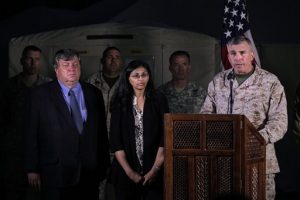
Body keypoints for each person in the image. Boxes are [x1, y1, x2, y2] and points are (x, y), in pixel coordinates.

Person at [200, 35, 287, 200]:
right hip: (224, 161)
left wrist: (253, 139)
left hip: (260, 161)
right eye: (233, 53)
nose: (238, 57)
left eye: (242, 52)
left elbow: (280, 122)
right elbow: (205, 115)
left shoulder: (270, 82)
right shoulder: (219, 81)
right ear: (228, 56)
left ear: (252, 55)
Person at [23, 49, 110, 200]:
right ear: (56, 69)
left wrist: (103, 166)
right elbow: (31, 133)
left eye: (75, 64)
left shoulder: (93, 92)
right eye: (66, 65)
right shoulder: (39, 95)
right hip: (56, 172)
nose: (72, 69)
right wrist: (32, 168)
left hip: (89, 171)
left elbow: (101, 132)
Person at [109, 60, 169, 200]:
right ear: (128, 78)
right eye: (136, 75)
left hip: (156, 170)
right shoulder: (120, 100)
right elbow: (115, 141)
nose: (140, 79)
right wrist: (130, 173)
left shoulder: (159, 99)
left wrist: (155, 169)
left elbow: (165, 136)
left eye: (144, 75)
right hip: (125, 171)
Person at [0, 45, 52, 200]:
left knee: (41, 192)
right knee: (13, 191)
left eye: (36, 59)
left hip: (41, 150)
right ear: (22, 61)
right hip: (14, 152)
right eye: (29, 59)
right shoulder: (8, 87)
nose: (33, 63)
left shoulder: (49, 86)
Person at [86, 47, 123, 200]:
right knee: (96, 186)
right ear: (102, 61)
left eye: (117, 57)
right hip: (97, 143)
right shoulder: (90, 81)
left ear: (121, 61)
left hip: (120, 144)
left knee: (121, 186)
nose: (113, 60)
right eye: (109, 57)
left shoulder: (127, 82)